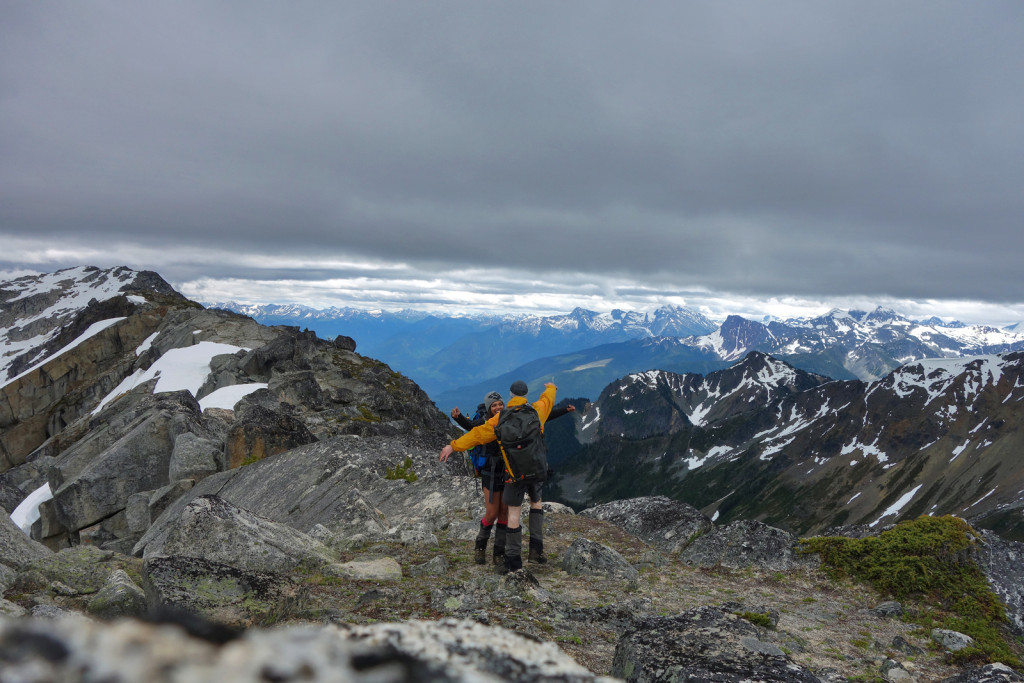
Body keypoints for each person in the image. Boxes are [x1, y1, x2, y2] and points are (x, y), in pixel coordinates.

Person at [441, 380, 567, 574]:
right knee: (534, 505)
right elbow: (547, 399)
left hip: (513, 473)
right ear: (525, 394)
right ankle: (535, 550)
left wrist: (453, 446)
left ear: (509, 395)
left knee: (512, 514)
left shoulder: (500, 419)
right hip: (536, 468)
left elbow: (477, 434)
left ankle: (513, 561)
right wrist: (551, 387)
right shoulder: (536, 410)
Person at [450, 390, 508, 565]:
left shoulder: (507, 418)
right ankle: (480, 547)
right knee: (491, 513)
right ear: (489, 407)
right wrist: (459, 418)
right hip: (490, 472)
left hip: (506, 471)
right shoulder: (484, 421)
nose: (498, 407)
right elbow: (472, 427)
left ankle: (499, 553)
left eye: (500, 404)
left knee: (504, 513)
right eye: (494, 405)